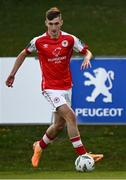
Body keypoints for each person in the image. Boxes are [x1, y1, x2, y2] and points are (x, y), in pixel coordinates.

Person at [6, 7, 103, 168]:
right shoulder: (38, 41)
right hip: (50, 88)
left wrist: (87, 57)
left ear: (61, 23)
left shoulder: (69, 39)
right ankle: (84, 155)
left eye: (56, 23)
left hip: (66, 87)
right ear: (46, 23)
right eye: (50, 23)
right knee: (71, 116)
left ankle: (39, 146)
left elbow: (87, 51)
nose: (53, 27)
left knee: (59, 125)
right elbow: (23, 53)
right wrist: (12, 74)